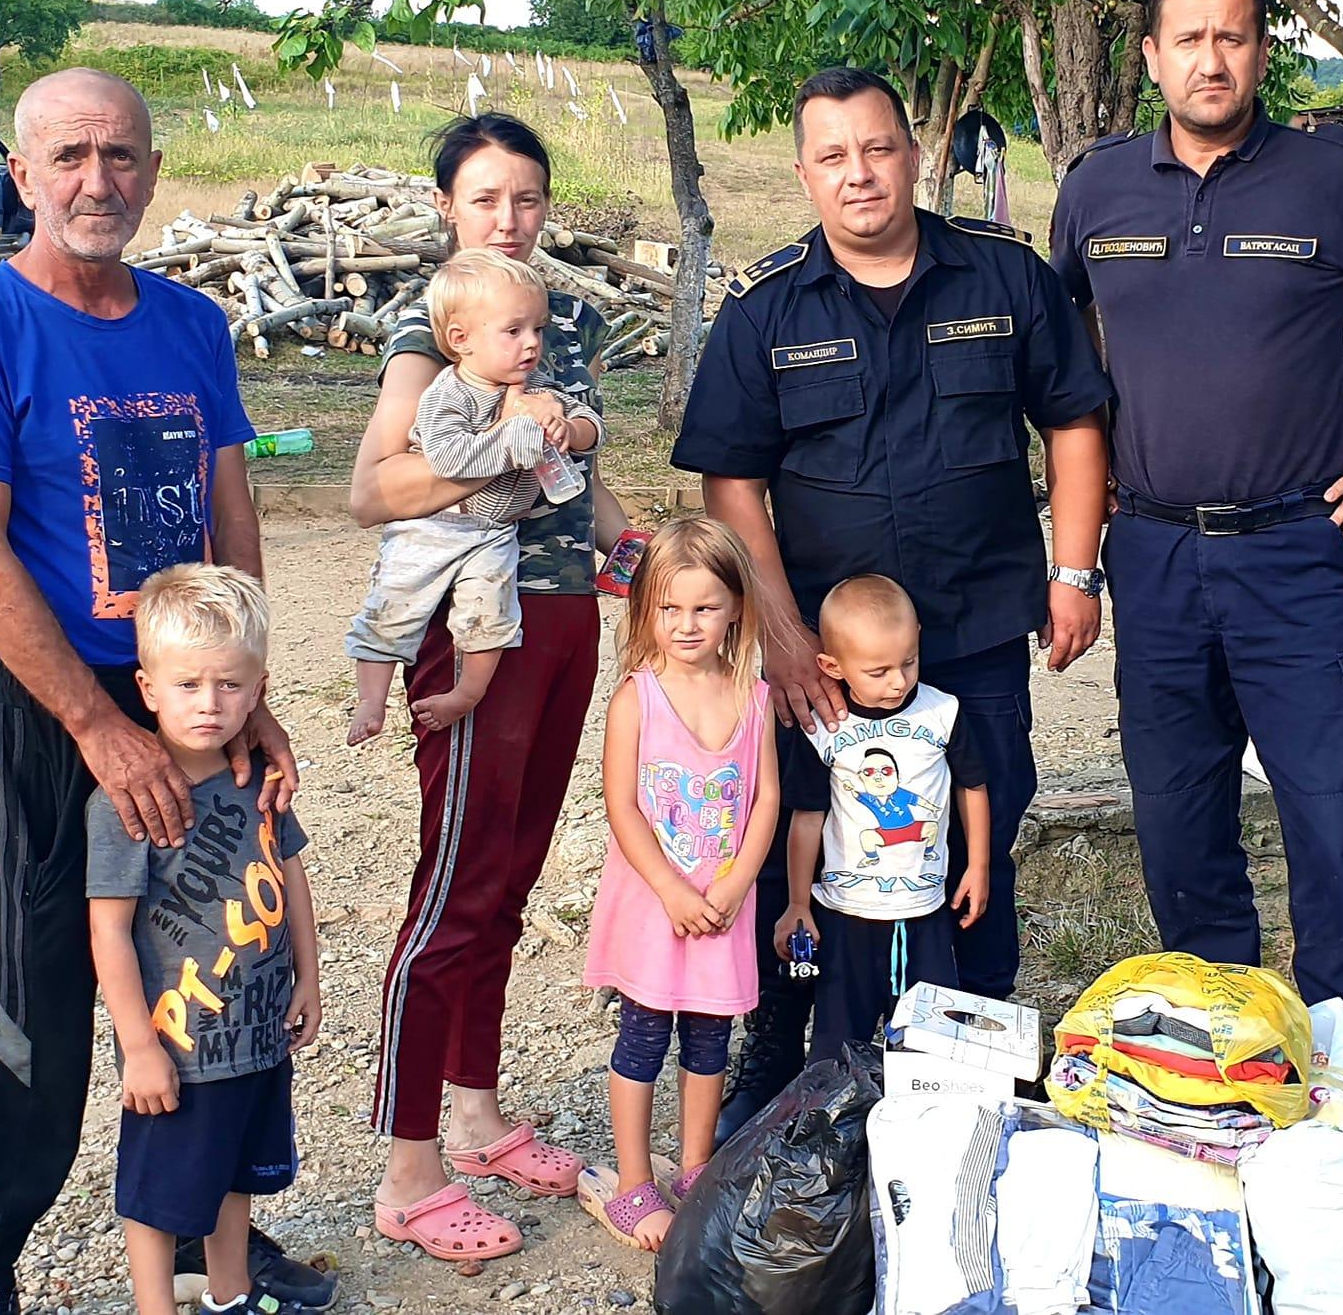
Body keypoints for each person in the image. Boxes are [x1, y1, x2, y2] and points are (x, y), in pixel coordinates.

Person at [0, 69, 327, 1315]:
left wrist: (244, 698)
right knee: (22, 994)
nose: (100, 180)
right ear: (22, 176)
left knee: (214, 969)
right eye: (71, 156)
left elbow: (230, 509)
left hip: (186, 696)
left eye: (123, 156)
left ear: (149, 169)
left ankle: (202, 1233)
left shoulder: (189, 326)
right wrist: (95, 725)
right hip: (43, 714)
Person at [1051, 0, 1343, 1075]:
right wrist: (1074, 558)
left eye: (1231, 38)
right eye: (1186, 39)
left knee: (1335, 826)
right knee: (1180, 829)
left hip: (1298, 553)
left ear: (1258, 52)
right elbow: (1064, 373)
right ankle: (1224, 1068)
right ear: (1149, 57)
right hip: (1149, 554)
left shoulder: (1335, 181)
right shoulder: (1095, 191)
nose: (1209, 59)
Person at [671, 66, 1114, 1138]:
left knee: (976, 837)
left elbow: (1071, 419)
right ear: (803, 174)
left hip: (966, 638)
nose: (858, 174)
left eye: (876, 148)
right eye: (832, 156)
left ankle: (974, 1046)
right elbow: (731, 479)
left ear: (913, 155)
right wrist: (775, 632)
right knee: (806, 847)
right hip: (819, 659)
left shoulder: (1004, 280)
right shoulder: (766, 310)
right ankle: (784, 1052)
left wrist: (1072, 572)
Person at [351, 114, 629, 1261]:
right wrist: (502, 442)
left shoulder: (562, 325)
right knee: (455, 888)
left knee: (508, 879)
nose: (507, 217)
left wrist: (643, 564)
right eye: (483, 199)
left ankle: (475, 1117)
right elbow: (374, 491)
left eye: (525, 198)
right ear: (446, 210)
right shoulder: (437, 333)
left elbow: (589, 491)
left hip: (563, 621)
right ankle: (408, 1169)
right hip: (477, 636)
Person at [85, 565, 320, 1315]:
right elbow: (109, 931)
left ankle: (232, 1294)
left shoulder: (260, 780)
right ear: (148, 688)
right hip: (178, 1042)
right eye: (187, 685)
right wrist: (139, 1046)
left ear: (259, 689)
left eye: (229, 685)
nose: (210, 704)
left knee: (236, 1177)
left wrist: (309, 979)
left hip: (256, 1031)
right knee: (160, 1193)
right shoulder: (123, 803)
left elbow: (291, 879)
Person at [578, 516, 779, 1251]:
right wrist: (670, 890)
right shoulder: (637, 698)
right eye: (669, 608)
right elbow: (622, 805)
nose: (686, 624)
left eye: (704, 607)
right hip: (653, 909)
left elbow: (765, 801)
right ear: (646, 610)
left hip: (723, 908)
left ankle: (696, 1169)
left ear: (735, 610)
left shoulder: (754, 697)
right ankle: (633, 1182)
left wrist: (733, 887)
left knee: (710, 1040)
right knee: (642, 1038)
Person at [346, 250, 603, 743]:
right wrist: (512, 438)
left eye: (538, 329)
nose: (531, 344)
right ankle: (370, 700)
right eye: (514, 331)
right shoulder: (449, 392)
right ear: (461, 340)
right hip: (435, 526)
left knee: (491, 613)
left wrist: (570, 428)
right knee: (395, 602)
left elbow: (594, 429)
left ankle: (469, 692)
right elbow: (447, 459)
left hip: (494, 531)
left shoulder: (538, 390)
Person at [773, 575, 990, 1061]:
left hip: (926, 911)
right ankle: (833, 1129)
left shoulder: (943, 713)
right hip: (846, 912)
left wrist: (978, 866)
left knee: (933, 1041)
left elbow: (971, 787)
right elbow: (807, 817)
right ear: (833, 665)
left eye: (908, 662)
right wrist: (797, 902)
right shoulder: (824, 727)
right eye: (878, 670)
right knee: (835, 1043)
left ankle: (925, 1124)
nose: (897, 681)